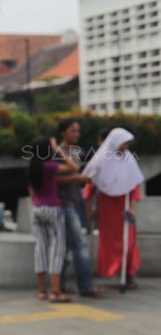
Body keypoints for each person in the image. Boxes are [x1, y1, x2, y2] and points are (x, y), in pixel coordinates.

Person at [83, 128, 143, 290]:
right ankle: (110, 270)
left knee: (128, 242)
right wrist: (90, 209)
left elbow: (134, 186)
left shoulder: (129, 160)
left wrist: (132, 208)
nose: (125, 147)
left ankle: (129, 274)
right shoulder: (100, 159)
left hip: (124, 207)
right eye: (123, 143)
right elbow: (90, 183)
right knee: (109, 242)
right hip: (107, 208)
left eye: (127, 144)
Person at [56, 118, 104, 297]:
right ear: (63, 133)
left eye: (78, 131)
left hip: (75, 203)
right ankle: (85, 286)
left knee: (66, 245)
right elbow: (52, 179)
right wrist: (77, 178)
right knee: (80, 244)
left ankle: (59, 286)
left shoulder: (76, 152)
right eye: (72, 131)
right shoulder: (58, 152)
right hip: (64, 204)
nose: (76, 134)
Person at [28, 136, 78, 303]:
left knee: (40, 248)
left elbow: (32, 194)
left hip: (36, 209)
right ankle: (56, 292)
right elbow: (73, 167)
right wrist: (58, 149)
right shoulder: (49, 166)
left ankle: (42, 290)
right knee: (57, 249)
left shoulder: (31, 168)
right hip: (53, 209)